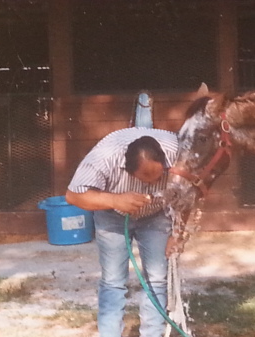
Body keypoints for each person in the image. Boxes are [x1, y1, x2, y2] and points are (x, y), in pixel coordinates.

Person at [66, 127, 179, 337]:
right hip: (111, 214)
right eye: (146, 180)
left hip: (157, 215)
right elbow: (73, 196)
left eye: (158, 177)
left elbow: (195, 188)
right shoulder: (104, 157)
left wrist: (178, 233)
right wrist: (115, 200)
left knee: (157, 278)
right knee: (113, 280)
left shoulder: (178, 149)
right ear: (127, 169)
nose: (153, 185)